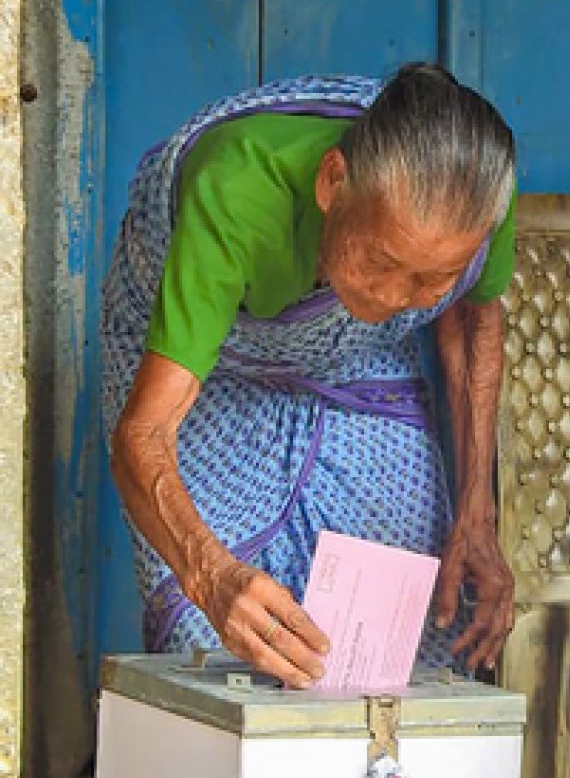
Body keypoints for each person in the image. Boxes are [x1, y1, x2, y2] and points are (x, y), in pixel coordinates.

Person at [102, 64, 517, 689]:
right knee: (214, 640)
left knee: (400, 631)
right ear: (332, 183)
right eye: (380, 259)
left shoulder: (478, 196)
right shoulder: (237, 193)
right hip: (207, 365)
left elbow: (474, 317)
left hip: (357, 356)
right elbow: (144, 434)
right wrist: (212, 576)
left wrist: (477, 511)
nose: (397, 296)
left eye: (430, 279)